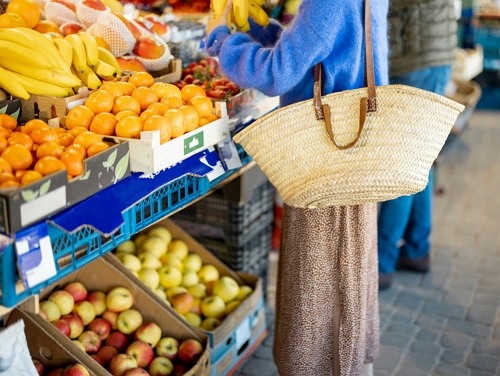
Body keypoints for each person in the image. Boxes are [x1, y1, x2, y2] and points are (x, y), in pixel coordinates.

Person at [206, 1, 388, 375]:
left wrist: (223, 41)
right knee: (347, 287)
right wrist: (263, 32)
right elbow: (323, 52)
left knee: (319, 292)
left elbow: (278, 73)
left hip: (325, 163)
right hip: (352, 156)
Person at [377, 0, 457, 289]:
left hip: (417, 61)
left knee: (402, 165)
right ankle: (416, 249)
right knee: (419, 160)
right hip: (427, 57)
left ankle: (380, 265)